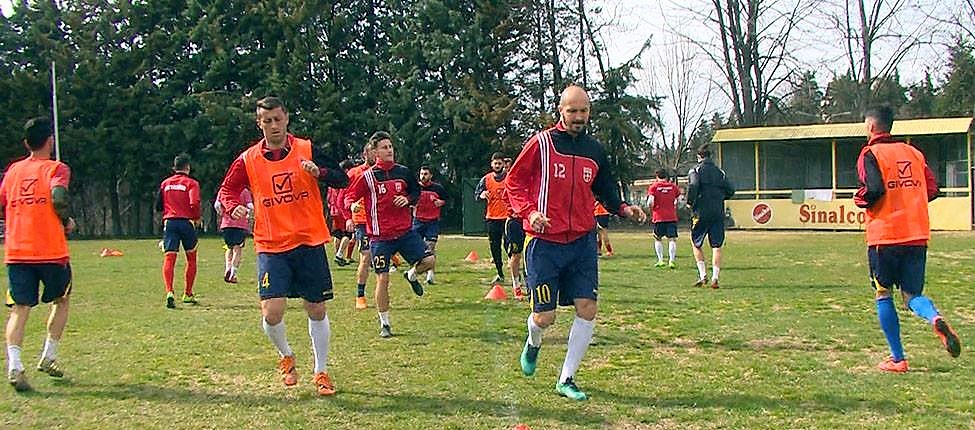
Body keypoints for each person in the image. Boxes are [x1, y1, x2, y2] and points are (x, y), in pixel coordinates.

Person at [507, 85, 646, 401]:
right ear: (561, 111)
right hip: (544, 244)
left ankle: (566, 378)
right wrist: (530, 212)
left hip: (582, 242)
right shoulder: (541, 144)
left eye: (583, 111)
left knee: (588, 309)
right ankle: (533, 341)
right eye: (573, 111)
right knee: (545, 318)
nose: (578, 117)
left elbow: (605, 187)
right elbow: (514, 181)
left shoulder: (594, 150)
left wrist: (623, 208)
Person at [217, 96, 348, 396]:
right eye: (267, 121)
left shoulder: (307, 149)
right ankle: (286, 356)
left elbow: (342, 179)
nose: (273, 126)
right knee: (272, 312)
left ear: (287, 118)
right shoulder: (248, 159)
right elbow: (228, 189)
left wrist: (321, 173)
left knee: (315, 308)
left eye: (278, 119)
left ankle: (321, 371)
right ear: (259, 123)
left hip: (308, 240)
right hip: (271, 243)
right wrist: (231, 205)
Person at [854, 105, 961, 372]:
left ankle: (898, 358)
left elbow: (874, 189)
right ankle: (934, 316)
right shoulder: (913, 153)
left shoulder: (870, 153)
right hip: (916, 234)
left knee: (883, 293)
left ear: (871, 127)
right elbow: (933, 189)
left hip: (885, 235)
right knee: (912, 295)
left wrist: (860, 199)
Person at [2, 117, 75, 392]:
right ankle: (49, 355)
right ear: (50, 141)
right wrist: (66, 221)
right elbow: (58, 197)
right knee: (61, 299)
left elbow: (3, 203)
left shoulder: (12, 171)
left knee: (19, 309)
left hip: (17, 250)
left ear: (26, 143)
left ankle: (15, 365)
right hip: (50, 250)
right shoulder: (56, 168)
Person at [345, 132, 434, 338]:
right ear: (375, 152)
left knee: (429, 261)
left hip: (404, 232)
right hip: (380, 237)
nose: (389, 150)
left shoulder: (403, 172)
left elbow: (415, 192)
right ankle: (384, 323)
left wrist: (408, 199)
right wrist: (351, 207)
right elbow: (349, 195)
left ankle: (411, 275)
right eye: (384, 147)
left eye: (391, 146)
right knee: (382, 279)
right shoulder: (366, 177)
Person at [686, 144, 734, 289]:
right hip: (718, 211)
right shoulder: (720, 172)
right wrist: (720, 197)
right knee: (717, 245)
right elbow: (731, 190)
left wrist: (690, 202)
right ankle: (715, 278)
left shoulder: (695, 170)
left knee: (696, 242)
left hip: (701, 211)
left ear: (699, 157)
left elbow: (693, 185)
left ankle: (703, 275)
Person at [156, 153, 201, 307]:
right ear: (188, 167)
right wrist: (196, 218)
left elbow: (158, 206)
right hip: (186, 223)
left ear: (174, 168)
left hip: (170, 222)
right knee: (191, 259)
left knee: (169, 258)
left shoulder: (165, 183)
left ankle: (169, 291)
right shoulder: (192, 183)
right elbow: (194, 203)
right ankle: (188, 293)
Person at [341, 143, 378, 310]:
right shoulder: (354, 173)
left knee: (381, 257)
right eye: (373, 152)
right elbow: (343, 197)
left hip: (380, 221)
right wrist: (348, 217)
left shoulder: (383, 173)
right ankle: (360, 295)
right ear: (365, 154)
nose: (376, 155)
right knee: (366, 255)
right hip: (362, 221)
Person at [474, 152, 509, 284]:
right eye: (495, 163)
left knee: (509, 246)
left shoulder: (510, 178)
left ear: (503, 164)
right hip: (492, 218)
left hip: (507, 218)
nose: (497, 165)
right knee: (495, 247)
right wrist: (482, 194)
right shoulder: (486, 179)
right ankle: (500, 273)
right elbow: (476, 195)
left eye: (500, 163)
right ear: (491, 164)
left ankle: (516, 271)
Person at [412, 165, 447, 285]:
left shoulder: (438, 188)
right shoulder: (415, 187)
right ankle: (417, 268)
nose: (423, 176)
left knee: (430, 246)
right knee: (416, 247)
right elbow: (408, 199)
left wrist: (441, 202)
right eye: (421, 174)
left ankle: (430, 273)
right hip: (418, 221)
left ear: (431, 175)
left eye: (425, 174)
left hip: (432, 221)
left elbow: (447, 200)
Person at [214, 188, 253, 284]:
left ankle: (227, 268)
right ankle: (233, 273)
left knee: (228, 248)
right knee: (237, 249)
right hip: (240, 224)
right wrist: (247, 213)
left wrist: (221, 213)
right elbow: (250, 206)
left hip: (226, 224)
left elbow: (217, 205)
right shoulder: (244, 191)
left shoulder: (223, 190)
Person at [647, 169, 681, 269]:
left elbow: (650, 202)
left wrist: (652, 210)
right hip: (671, 216)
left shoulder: (654, 187)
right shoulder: (673, 187)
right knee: (672, 239)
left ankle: (660, 260)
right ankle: (671, 261)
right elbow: (677, 200)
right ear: (666, 177)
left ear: (657, 177)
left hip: (659, 217)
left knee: (658, 238)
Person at [328, 160, 356, 267]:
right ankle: (339, 255)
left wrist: (331, 207)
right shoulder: (344, 180)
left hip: (333, 210)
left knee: (337, 234)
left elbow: (329, 197)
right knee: (347, 234)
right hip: (342, 211)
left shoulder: (332, 181)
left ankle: (337, 255)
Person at [501, 187, 527, 300]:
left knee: (531, 254)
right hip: (515, 223)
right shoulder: (512, 183)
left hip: (529, 221)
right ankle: (516, 285)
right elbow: (506, 199)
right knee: (516, 255)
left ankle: (530, 285)